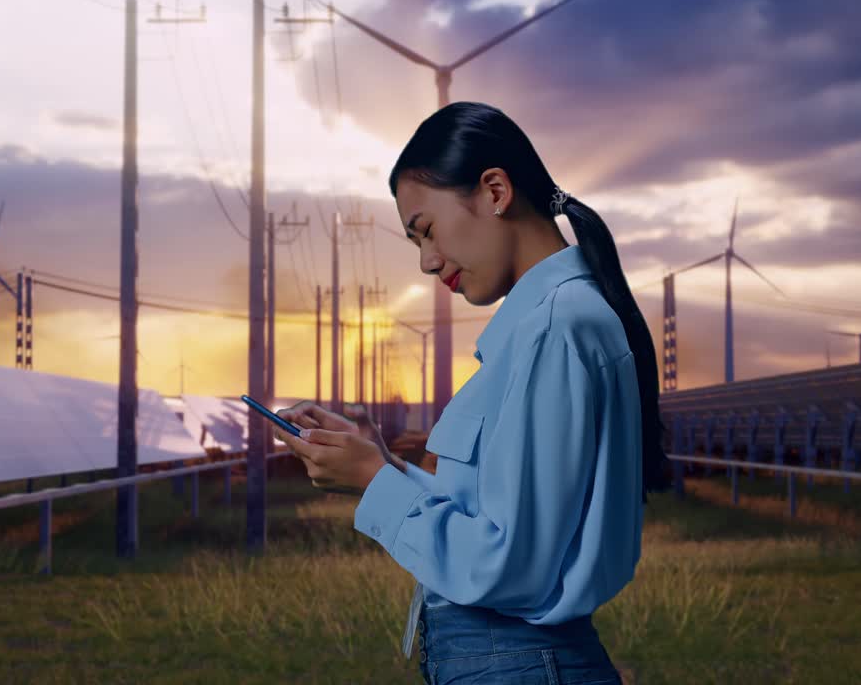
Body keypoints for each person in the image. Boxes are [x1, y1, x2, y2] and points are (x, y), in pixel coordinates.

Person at [273, 101, 671, 685]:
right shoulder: (545, 325)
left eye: (426, 231)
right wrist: (380, 464)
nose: (427, 263)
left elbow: (510, 565)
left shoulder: (554, 327)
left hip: (517, 663)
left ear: (494, 191)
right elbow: (496, 520)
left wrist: (373, 482)